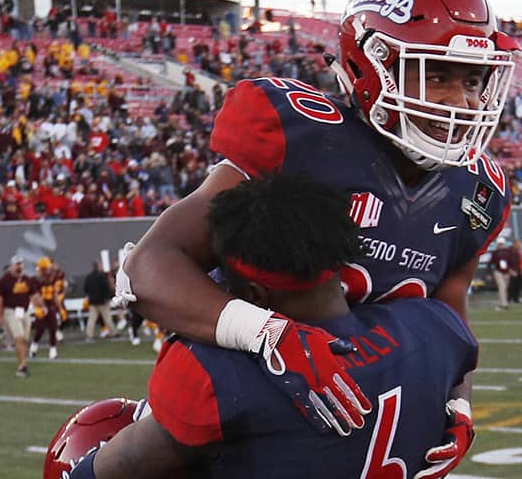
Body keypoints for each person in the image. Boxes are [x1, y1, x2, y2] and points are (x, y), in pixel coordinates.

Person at [114, 0, 516, 441]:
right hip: (245, 410)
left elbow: (450, 322)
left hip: (362, 426)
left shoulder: (477, 189)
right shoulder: (300, 134)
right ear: (372, 64)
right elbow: (149, 266)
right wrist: (267, 333)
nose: (462, 102)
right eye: (438, 77)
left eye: (473, 81)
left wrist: (456, 403)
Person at [58, 174, 477, 479]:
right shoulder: (430, 326)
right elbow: (460, 356)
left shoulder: (217, 373)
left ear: (254, 295)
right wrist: (459, 407)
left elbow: (121, 464)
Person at [0, 255, 40, 376]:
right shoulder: (4, 281)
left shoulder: (27, 279)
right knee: (19, 338)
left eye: (21, 264)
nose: (19, 267)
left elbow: (34, 295)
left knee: (24, 339)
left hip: (24, 312)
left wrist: (42, 307)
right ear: (12, 266)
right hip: (11, 311)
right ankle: (22, 366)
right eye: (17, 264)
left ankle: (22, 361)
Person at [31, 256, 64, 360]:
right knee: (40, 329)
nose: (49, 270)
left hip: (50, 306)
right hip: (40, 307)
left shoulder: (52, 278)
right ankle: (34, 347)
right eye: (47, 268)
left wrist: (60, 308)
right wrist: (43, 307)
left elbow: (54, 294)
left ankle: (53, 351)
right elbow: (36, 296)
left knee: (53, 328)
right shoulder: (35, 280)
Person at [82, 261, 115, 339]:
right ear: (98, 266)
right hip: (102, 301)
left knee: (92, 319)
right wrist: (108, 297)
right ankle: (113, 332)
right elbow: (106, 288)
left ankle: (89, 334)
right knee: (107, 318)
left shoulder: (89, 277)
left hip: (93, 302)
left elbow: (85, 289)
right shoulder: (102, 276)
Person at [487, 238, 518, 310]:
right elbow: (490, 263)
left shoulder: (508, 252)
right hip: (498, 272)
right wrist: (489, 273)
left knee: (505, 288)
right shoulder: (495, 253)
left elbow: (512, 262)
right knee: (502, 287)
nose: (500, 245)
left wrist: (513, 270)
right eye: (499, 244)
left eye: (501, 244)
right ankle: (504, 304)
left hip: (506, 272)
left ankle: (504, 302)